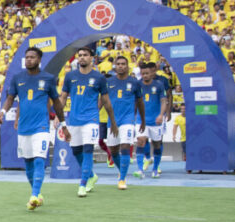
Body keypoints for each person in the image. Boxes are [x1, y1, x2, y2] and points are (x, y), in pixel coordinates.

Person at [0, 46, 65, 210]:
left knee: (38, 160)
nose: (29, 59)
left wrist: (62, 123)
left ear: (39, 59)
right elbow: (10, 98)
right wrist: (3, 111)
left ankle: (34, 195)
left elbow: (56, 103)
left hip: (41, 127)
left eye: (32, 57)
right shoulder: (17, 78)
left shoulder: (48, 79)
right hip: (23, 128)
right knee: (27, 162)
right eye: (27, 57)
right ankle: (37, 193)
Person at [59, 46, 118, 197]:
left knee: (87, 150)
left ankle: (82, 184)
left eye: (85, 55)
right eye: (80, 55)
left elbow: (105, 101)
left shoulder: (99, 78)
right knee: (76, 151)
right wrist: (57, 117)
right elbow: (63, 97)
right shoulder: (70, 76)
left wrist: (113, 121)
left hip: (91, 119)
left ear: (92, 58)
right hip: (74, 120)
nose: (82, 57)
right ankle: (91, 175)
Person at [106, 57, 146, 188]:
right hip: (112, 121)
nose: (121, 66)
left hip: (128, 120)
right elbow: (103, 100)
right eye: (118, 64)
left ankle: (122, 179)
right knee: (113, 151)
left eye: (123, 64)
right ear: (115, 66)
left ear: (127, 66)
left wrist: (143, 120)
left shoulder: (134, 82)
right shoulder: (108, 82)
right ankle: (121, 170)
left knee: (125, 147)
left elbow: (140, 102)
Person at [135, 62, 171, 178]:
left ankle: (155, 169)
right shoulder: (137, 85)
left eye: (147, 73)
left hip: (156, 121)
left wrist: (161, 114)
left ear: (152, 73)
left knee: (156, 144)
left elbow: (163, 101)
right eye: (143, 73)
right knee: (140, 141)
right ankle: (140, 170)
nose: (145, 75)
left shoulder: (159, 85)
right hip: (141, 120)